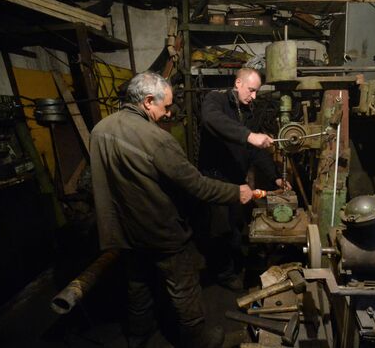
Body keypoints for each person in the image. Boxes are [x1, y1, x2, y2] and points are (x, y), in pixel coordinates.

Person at [90, 71, 253, 348]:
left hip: (122, 229)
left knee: (137, 281)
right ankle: (197, 341)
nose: (168, 114)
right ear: (148, 101)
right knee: (184, 289)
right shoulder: (157, 140)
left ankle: (139, 330)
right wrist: (236, 192)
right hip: (159, 230)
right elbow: (197, 186)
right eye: (165, 107)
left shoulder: (100, 129)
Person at [197, 67, 291, 290]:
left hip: (237, 179)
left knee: (236, 224)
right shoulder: (215, 100)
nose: (254, 96)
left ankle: (236, 263)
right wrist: (249, 136)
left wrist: (275, 177)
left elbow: (255, 151)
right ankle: (224, 274)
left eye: (257, 91)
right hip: (215, 180)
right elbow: (211, 120)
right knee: (220, 230)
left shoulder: (247, 112)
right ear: (238, 83)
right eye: (251, 90)